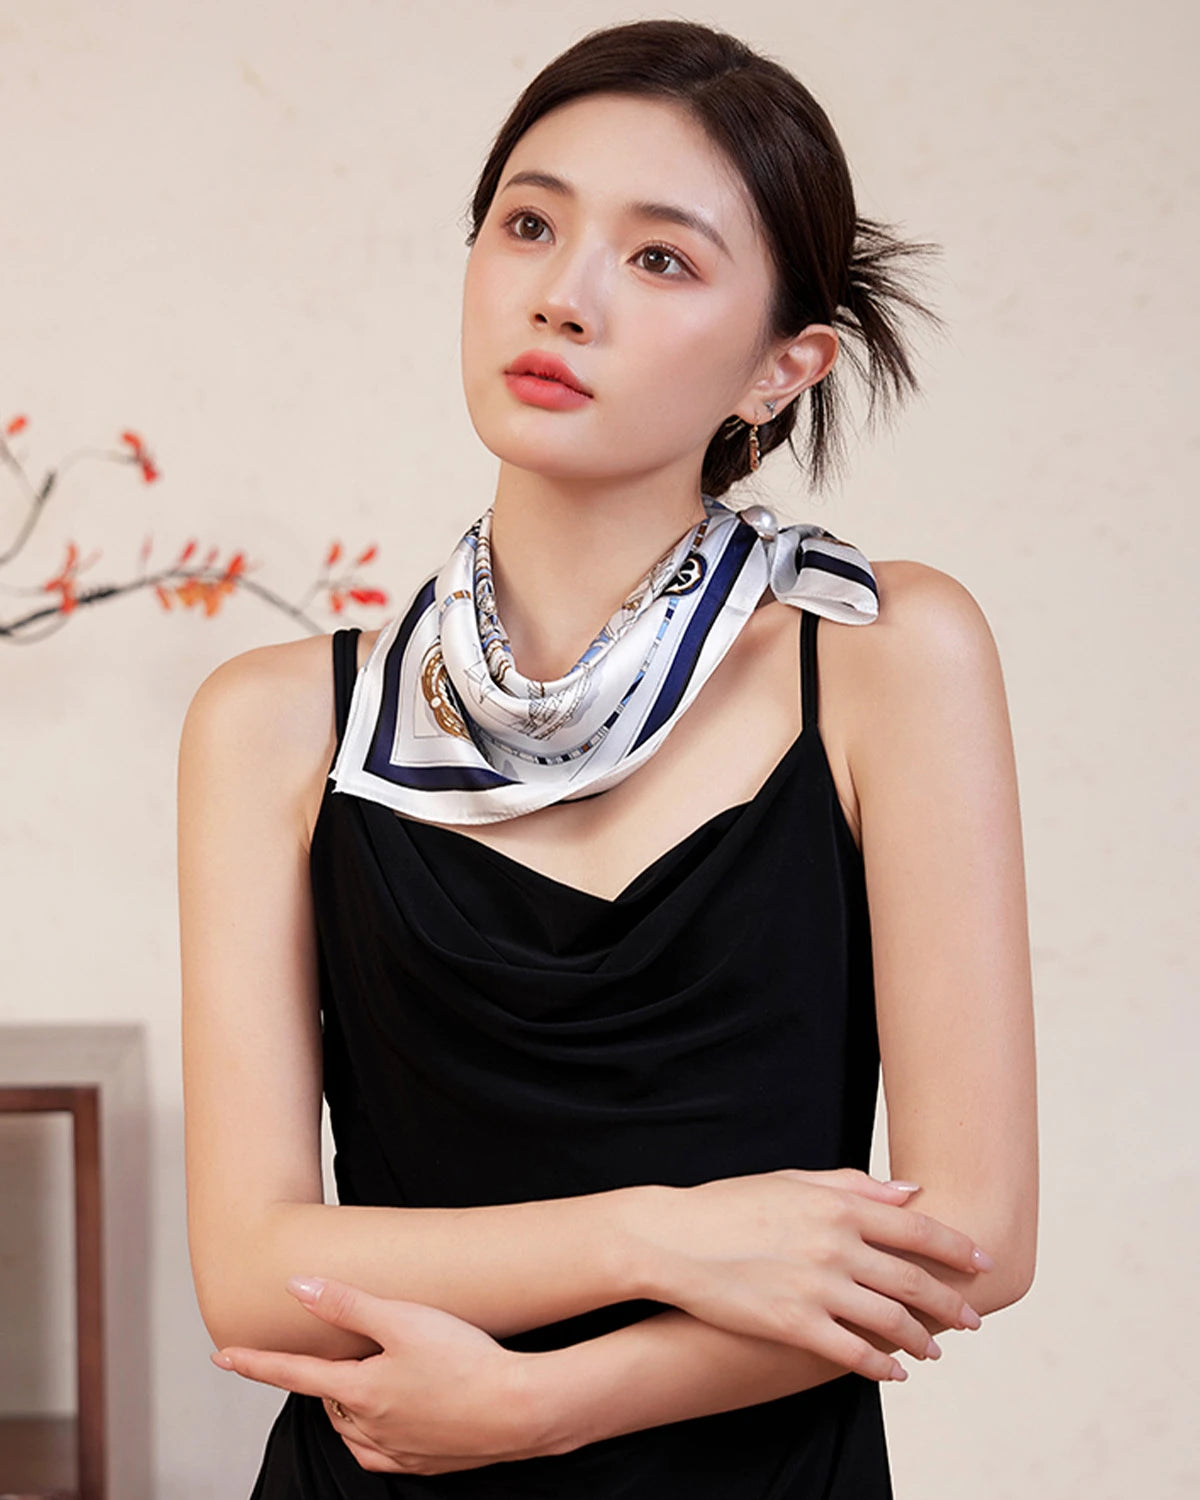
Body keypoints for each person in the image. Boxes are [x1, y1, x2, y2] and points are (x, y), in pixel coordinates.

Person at [178, 18, 1037, 1497]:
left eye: (660, 258)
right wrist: (659, 1235)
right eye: (529, 224)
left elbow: (973, 1236)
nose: (562, 296)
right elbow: (253, 1274)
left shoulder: (886, 656)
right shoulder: (275, 721)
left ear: (784, 368)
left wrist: (542, 1406)